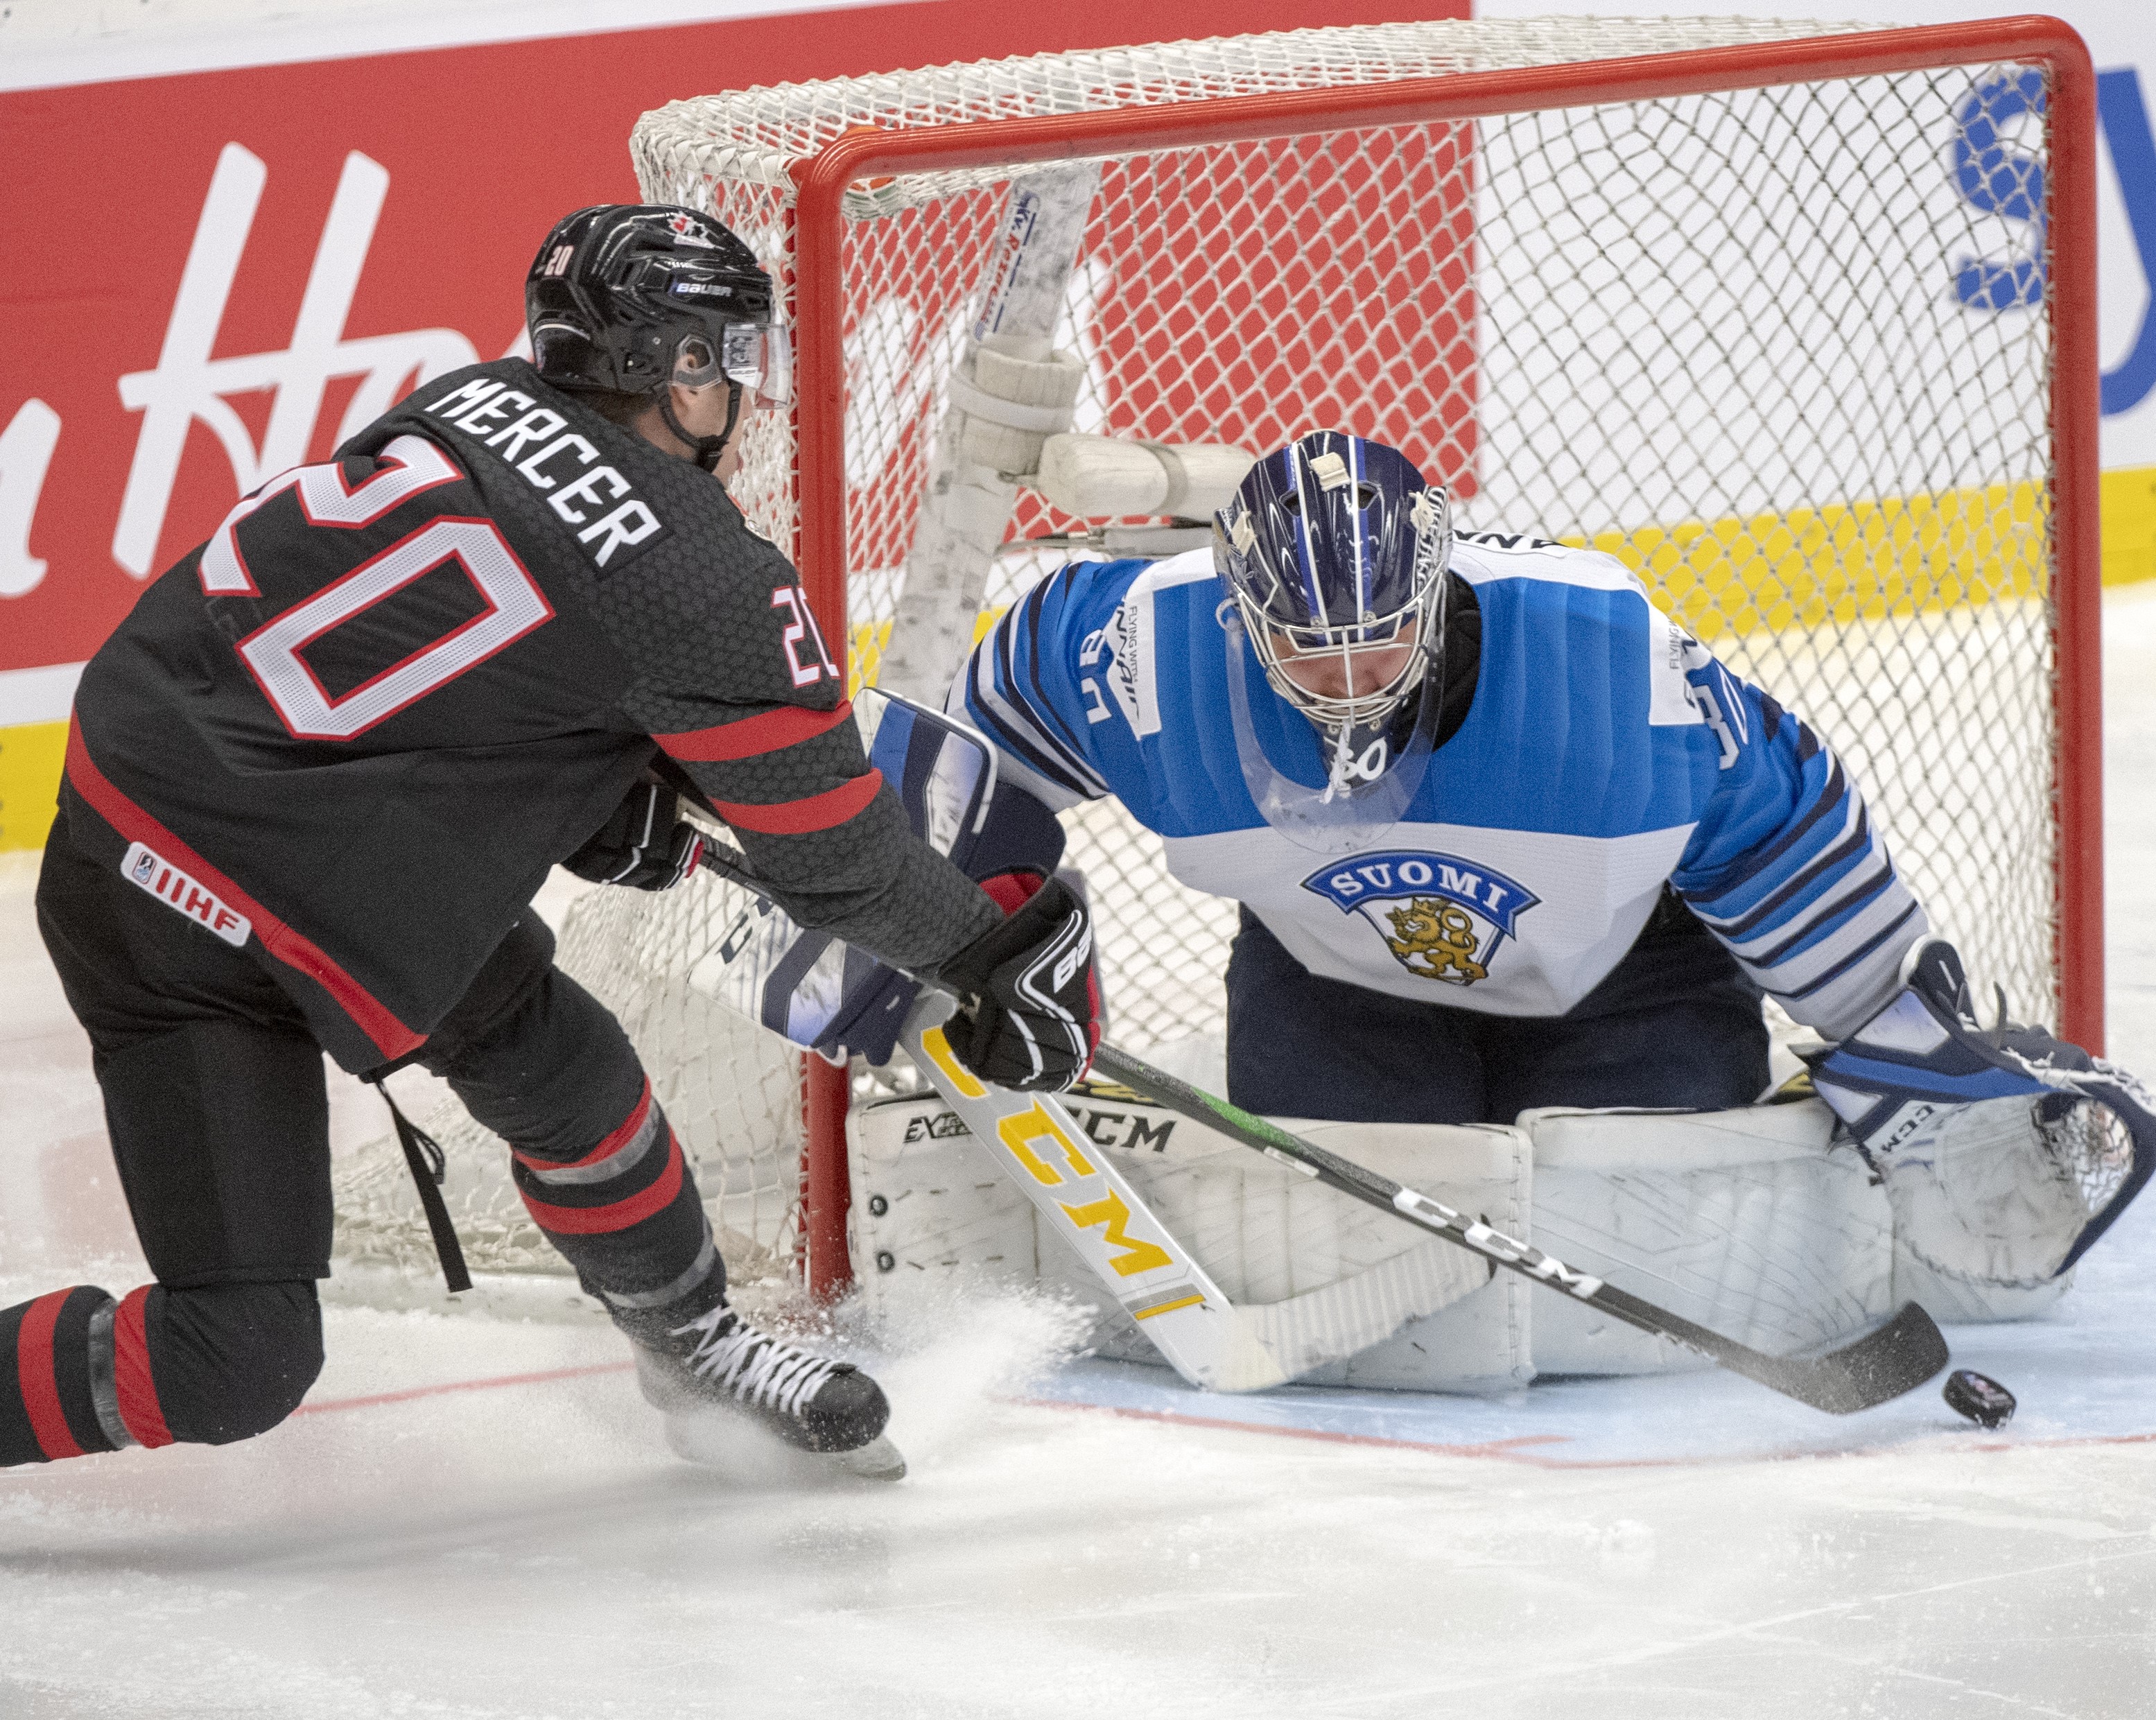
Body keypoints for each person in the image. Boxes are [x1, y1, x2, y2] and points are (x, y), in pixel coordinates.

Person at [4, 204, 1097, 1479]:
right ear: (677, 367)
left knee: (564, 1076)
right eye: (730, 355)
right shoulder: (705, 581)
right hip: (242, 901)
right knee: (236, 1357)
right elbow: (837, 863)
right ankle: (691, 1336)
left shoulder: (471, 399)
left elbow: (453, 652)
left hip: (139, 831)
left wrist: (582, 790)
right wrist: (990, 951)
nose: (743, 389)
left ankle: (693, 1344)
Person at [946, 427, 2155, 1307]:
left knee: (1657, 1240)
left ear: (1436, 587)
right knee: (1337, 1235)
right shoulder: (1145, 650)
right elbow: (995, 717)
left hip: (1631, 971)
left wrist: (1906, 1051)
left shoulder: (1610, 667)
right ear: (1240, 617)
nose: (1351, 683)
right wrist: (960, 928)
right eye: (1310, 653)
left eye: (1381, 643)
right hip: (1333, 975)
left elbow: (1783, 824)